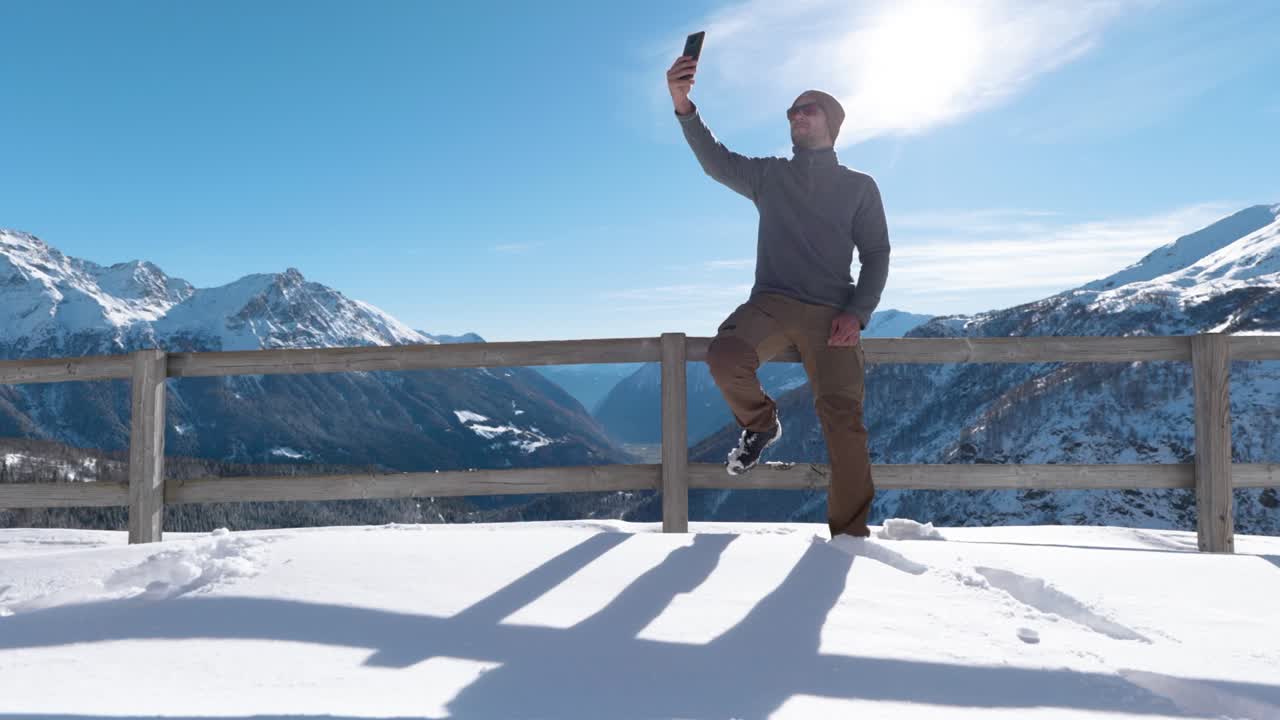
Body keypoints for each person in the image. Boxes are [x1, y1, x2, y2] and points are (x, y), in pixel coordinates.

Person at [666, 54, 890, 538]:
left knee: (844, 424)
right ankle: (761, 424)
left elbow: (876, 254)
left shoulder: (859, 187)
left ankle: (850, 538)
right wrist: (684, 106)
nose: (797, 116)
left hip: (833, 311)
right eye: (791, 112)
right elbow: (715, 161)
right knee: (725, 355)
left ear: (832, 121)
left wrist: (859, 313)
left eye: (807, 109)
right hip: (770, 302)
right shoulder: (770, 176)